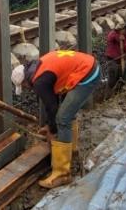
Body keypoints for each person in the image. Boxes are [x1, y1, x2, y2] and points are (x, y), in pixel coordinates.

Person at [11, 50, 100, 189]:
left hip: (86, 74)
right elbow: (51, 102)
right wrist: (48, 125)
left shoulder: (39, 82)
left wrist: (52, 132)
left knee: (63, 119)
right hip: (86, 66)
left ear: (25, 81)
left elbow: (52, 108)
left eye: (23, 86)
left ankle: (62, 174)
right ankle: (72, 152)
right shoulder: (39, 68)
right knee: (66, 113)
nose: (26, 89)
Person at [105, 23, 126, 89]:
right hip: (112, 59)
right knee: (112, 73)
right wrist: (119, 37)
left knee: (120, 75)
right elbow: (110, 38)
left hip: (121, 60)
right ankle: (110, 89)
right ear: (125, 30)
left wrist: (123, 42)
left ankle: (118, 89)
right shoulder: (114, 33)